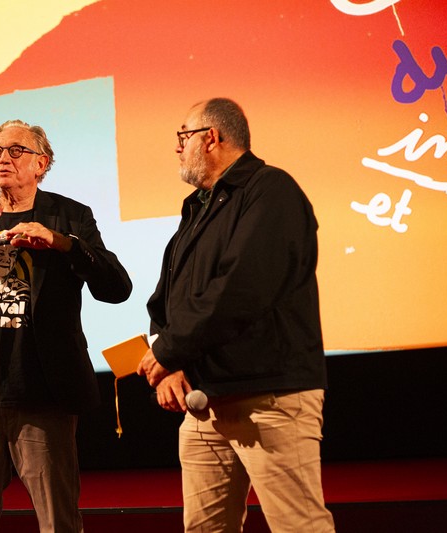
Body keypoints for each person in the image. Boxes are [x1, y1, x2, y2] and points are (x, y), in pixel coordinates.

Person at [0, 119, 132, 532]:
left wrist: (62, 243)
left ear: (42, 163)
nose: (3, 158)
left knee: (59, 522)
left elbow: (116, 287)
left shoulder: (69, 216)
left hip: (44, 397)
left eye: (15, 150)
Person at [137, 98, 335, 532]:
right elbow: (164, 302)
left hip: (267, 398)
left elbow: (241, 289)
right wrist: (169, 362)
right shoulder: (198, 207)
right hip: (205, 404)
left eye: (182, 135)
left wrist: (171, 350)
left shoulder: (271, 190)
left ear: (211, 138)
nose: (177, 147)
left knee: (298, 526)